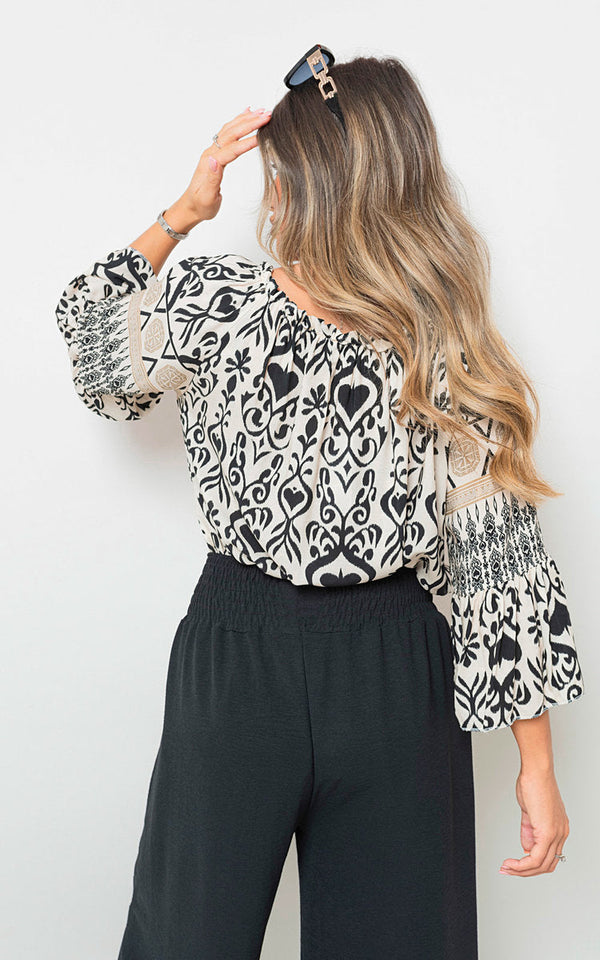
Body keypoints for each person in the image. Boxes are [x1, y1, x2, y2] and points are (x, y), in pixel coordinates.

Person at [55, 46, 585, 960]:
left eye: (284, 170)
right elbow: (95, 357)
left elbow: (496, 551)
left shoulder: (441, 334)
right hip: (243, 650)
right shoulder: (220, 301)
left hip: (394, 664)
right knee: (185, 940)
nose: (273, 192)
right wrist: (183, 215)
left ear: (323, 179)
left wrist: (537, 764)